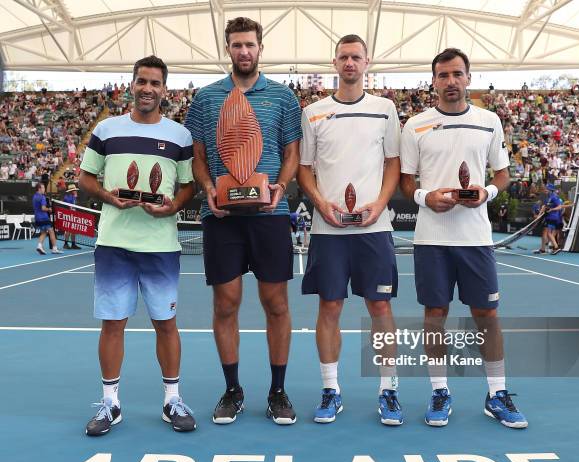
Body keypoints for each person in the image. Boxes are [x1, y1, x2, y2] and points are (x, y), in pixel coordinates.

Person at [400, 47, 528, 429]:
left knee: (486, 315)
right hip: (431, 239)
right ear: (433, 81)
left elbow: (502, 175)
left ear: (469, 78)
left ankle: (497, 393)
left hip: (475, 238)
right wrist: (427, 198)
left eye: (457, 74)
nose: (451, 81)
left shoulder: (490, 121)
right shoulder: (415, 125)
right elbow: (407, 183)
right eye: (443, 75)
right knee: (434, 316)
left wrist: (485, 193)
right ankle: (440, 392)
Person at [184, 17, 301, 425]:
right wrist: (208, 190)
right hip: (221, 217)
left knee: (276, 304)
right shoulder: (206, 98)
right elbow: (198, 158)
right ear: (228, 49)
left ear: (260, 48)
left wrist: (280, 190)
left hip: (270, 215)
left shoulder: (284, 98)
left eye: (250, 44)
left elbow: (291, 155)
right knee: (226, 304)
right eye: (236, 45)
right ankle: (233, 390)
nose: (244, 52)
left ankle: (278, 391)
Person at [79, 55, 197, 436]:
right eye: (141, 81)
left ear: (165, 89)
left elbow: (187, 185)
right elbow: (85, 178)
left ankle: (172, 400)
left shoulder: (180, 136)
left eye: (155, 83)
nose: (148, 89)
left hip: (161, 245)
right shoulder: (107, 130)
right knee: (113, 323)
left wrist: (173, 208)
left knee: (166, 323)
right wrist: (108, 197)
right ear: (131, 85)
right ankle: (110, 404)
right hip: (114, 243)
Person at [298, 34, 402, 425]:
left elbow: (393, 162)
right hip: (328, 230)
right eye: (343, 57)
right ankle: (330, 390)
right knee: (330, 307)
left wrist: (380, 203)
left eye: (356, 57)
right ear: (335, 62)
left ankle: (388, 390)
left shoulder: (385, 109)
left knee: (380, 306)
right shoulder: (314, 112)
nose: (349, 63)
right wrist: (322, 204)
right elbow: (304, 169)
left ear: (367, 62)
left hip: (374, 229)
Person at [32, 182, 63, 255]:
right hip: (44, 218)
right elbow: (43, 208)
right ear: (39, 189)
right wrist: (49, 209)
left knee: (44, 232)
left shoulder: (34, 197)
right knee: (51, 231)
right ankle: (54, 249)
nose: (44, 189)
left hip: (37, 218)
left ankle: (39, 246)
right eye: (43, 188)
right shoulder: (42, 197)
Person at [62, 183, 82, 250]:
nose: (76, 191)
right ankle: (65, 244)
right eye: (74, 190)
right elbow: (70, 206)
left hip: (73, 215)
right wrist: (75, 197)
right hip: (68, 215)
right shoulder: (67, 197)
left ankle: (73, 244)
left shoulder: (73, 197)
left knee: (73, 230)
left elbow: (74, 207)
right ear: (71, 191)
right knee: (68, 230)